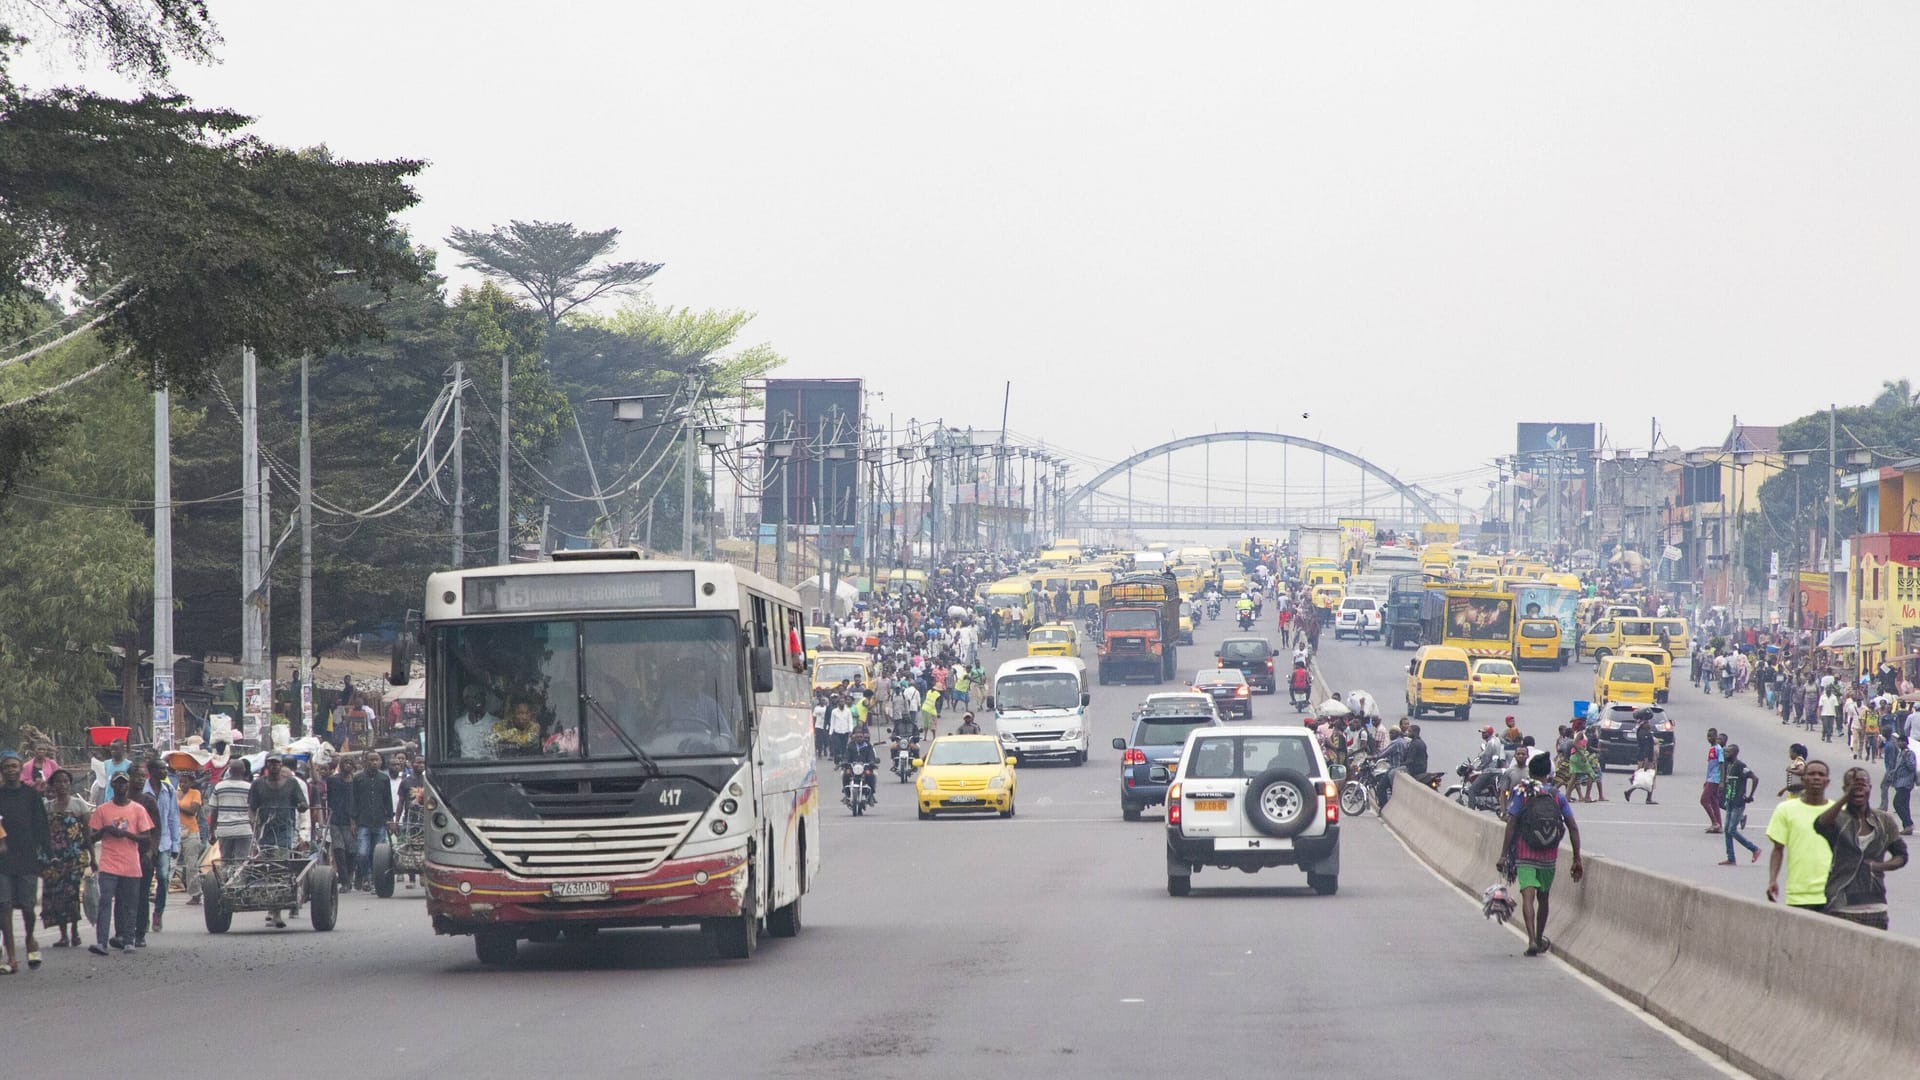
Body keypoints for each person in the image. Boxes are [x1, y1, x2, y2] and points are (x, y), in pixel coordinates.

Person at [1499, 752, 1584, 957]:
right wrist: (1576, 858)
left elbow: (1511, 823)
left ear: (1531, 772)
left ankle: (1530, 940)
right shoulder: (1557, 795)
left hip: (1525, 853)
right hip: (1548, 855)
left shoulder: (1523, 792)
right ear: (1548, 772)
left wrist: (1503, 855)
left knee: (1527, 896)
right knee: (1543, 898)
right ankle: (1539, 936)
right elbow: (1572, 827)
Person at [1815, 766, 1909, 929]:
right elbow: (1820, 824)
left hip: (1875, 907)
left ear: (1870, 788)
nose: (1858, 789)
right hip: (1840, 905)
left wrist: (1880, 866)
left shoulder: (1884, 820)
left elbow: (1901, 856)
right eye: (1852, 786)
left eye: (1863, 785)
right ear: (1845, 789)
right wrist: (1846, 796)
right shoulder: (1837, 820)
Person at [87, 772, 152, 956]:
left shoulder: (138, 809)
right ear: (112, 786)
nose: (122, 787)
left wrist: (127, 835)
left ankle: (129, 941)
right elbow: (91, 837)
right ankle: (101, 942)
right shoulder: (102, 810)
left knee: (130, 904)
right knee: (105, 901)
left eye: (124, 783)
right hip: (109, 864)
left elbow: (146, 839)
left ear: (128, 786)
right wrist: (106, 830)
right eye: (118, 784)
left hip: (131, 864)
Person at [0, 750, 53, 973]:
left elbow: (41, 825)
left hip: (28, 856)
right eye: (7, 767)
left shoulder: (31, 795)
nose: (11, 770)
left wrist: (47, 855)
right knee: (4, 906)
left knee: (28, 907)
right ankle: (11, 956)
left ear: (21, 769)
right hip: (3, 858)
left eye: (14, 766)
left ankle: (31, 938)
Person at [1766, 759, 1834, 913]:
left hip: (1834, 894)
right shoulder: (1785, 810)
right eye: (1811, 774)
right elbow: (1778, 849)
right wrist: (1772, 880)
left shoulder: (1838, 811)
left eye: (1821, 774)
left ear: (1827, 781)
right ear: (1803, 780)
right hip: (1799, 895)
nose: (1816, 777)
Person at [39, 769, 92, 949]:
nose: (62, 785)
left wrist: (92, 857)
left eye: (65, 782)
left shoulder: (79, 806)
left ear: (70, 784)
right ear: (52, 785)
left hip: (74, 856)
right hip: (53, 857)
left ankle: (75, 932)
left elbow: (87, 833)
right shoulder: (47, 806)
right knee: (56, 895)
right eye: (58, 782)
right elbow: (42, 834)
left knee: (72, 894)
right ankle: (62, 935)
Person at [350, 751, 394, 893]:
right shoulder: (358, 779)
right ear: (365, 762)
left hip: (380, 822)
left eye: (377, 760)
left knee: (378, 856)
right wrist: (353, 822)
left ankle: (376, 881)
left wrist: (390, 819)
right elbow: (353, 801)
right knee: (362, 853)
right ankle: (366, 877)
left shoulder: (384, 779)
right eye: (371, 760)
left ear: (380, 762)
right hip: (363, 822)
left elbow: (388, 800)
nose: (374, 763)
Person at [207, 760, 255, 866]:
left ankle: (225, 881)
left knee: (226, 860)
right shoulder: (249, 787)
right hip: (244, 830)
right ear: (244, 770)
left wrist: (211, 831)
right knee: (242, 862)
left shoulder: (219, 787)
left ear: (229, 770)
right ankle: (239, 881)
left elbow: (214, 811)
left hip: (225, 830)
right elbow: (253, 811)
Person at [1719, 744, 1761, 865]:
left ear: (1735, 753)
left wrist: (1750, 796)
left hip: (1738, 802)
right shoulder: (1729, 765)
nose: (1726, 754)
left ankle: (1754, 849)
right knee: (1727, 830)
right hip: (1730, 801)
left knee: (1732, 829)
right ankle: (1731, 858)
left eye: (1728, 752)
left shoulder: (1740, 766)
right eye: (1725, 752)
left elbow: (1755, 778)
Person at [1887, 733, 1916, 834]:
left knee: (1897, 803)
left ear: (1905, 742)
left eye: (1900, 742)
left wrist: (1905, 758)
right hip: (1899, 783)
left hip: (1906, 783)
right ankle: (1907, 827)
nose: (1898, 743)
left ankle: (1909, 824)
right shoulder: (1901, 753)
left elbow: (1912, 767)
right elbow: (1898, 768)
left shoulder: (1909, 754)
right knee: (1904, 805)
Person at [1699, 727, 1723, 833]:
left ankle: (1715, 822)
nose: (1709, 738)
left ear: (1716, 737)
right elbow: (1710, 766)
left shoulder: (1718, 749)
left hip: (1715, 779)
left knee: (1704, 800)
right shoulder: (1711, 749)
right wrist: (1706, 779)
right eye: (1708, 736)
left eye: (1711, 736)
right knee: (1714, 802)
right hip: (1710, 778)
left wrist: (1722, 781)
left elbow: (1721, 765)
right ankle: (1719, 825)